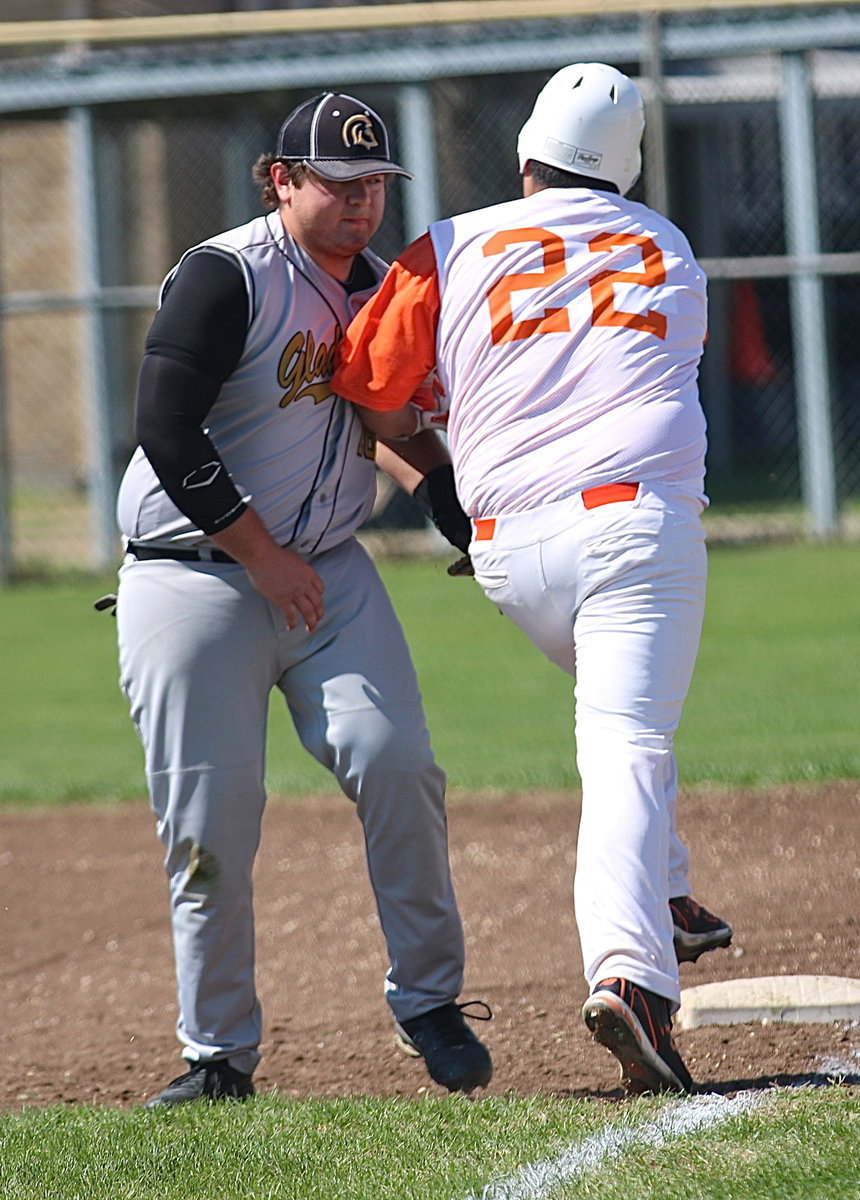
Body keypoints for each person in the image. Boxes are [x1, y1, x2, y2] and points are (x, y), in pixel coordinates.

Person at [332, 63, 729, 1095]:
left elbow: (371, 391)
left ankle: (666, 893)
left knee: (619, 722)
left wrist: (436, 426)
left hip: (506, 549)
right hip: (633, 530)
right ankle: (630, 976)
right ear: (628, 171)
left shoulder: (446, 246)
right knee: (624, 742)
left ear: (523, 164)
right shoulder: (667, 244)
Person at [113, 91, 491, 1108]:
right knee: (211, 823)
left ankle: (429, 1002)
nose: (361, 203)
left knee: (398, 760)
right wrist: (261, 555)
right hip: (192, 576)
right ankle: (219, 1057)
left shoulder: (376, 283)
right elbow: (164, 425)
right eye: (337, 182)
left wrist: (470, 525)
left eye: (374, 184)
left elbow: (389, 426)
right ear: (281, 180)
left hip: (326, 570)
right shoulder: (225, 276)